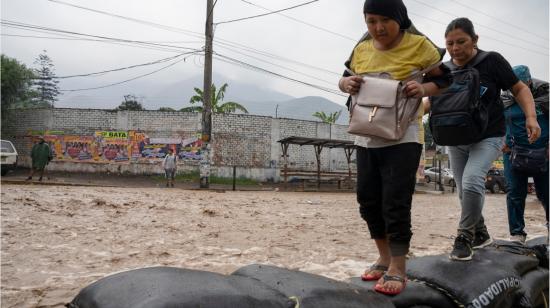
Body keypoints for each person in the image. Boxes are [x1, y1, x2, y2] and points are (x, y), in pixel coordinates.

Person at [338, 0, 449, 295]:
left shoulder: (420, 46)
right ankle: (383, 257)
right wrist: (344, 83)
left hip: (403, 135)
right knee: (368, 200)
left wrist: (423, 89)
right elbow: (345, 78)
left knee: (395, 201)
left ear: (399, 19)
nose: (377, 28)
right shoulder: (361, 49)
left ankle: (398, 267)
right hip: (366, 134)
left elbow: (445, 80)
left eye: (384, 20)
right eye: (371, 21)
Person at [441, 18, 541, 261]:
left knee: (473, 180)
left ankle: (464, 236)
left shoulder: (491, 61)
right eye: (450, 43)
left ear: (475, 40)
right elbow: (428, 100)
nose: (455, 49)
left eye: (461, 42)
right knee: (463, 190)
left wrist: (531, 116)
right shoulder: (443, 69)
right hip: (455, 137)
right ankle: (481, 233)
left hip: (489, 135)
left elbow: (519, 88)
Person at [502, 65, 548, 244]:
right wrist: (501, 140)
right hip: (513, 153)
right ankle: (517, 234)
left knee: (546, 193)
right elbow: (495, 121)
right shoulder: (505, 99)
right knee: (514, 192)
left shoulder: (545, 96)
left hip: (544, 153)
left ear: (529, 82)